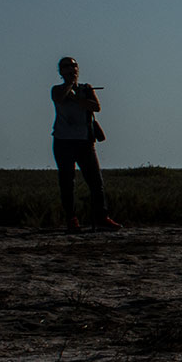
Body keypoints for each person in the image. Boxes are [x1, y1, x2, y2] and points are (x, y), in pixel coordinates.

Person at [50, 56, 119, 233]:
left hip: (85, 141)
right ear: (60, 71)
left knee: (96, 181)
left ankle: (102, 217)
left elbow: (96, 107)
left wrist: (78, 98)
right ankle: (71, 219)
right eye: (66, 67)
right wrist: (69, 86)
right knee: (67, 182)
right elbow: (58, 98)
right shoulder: (57, 89)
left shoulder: (86, 89)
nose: (71, 69)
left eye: (74, 66)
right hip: (63, 141)